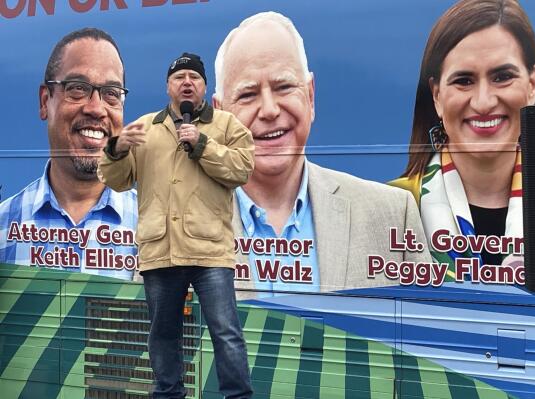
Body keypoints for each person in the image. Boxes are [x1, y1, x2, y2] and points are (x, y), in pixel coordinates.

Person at [213, 12, 430, 297]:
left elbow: (427, 336)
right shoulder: (178, 225)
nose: (269, 110)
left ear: (311, 96)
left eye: (284, 87)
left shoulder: (392, 215)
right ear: (219, 114)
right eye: (248, 95)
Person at [97, 53, 254, 398]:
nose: (187, 82)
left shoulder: (227, 125)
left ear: (204, 87)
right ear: (168, 86)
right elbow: (118, 181)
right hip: (160, 251)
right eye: (179, 76)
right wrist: (116, 150)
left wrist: (201, 143)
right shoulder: (145, 128)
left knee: (226, 333)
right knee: (163, 335)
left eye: (194, 77)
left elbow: (242, 169)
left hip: (209, 252)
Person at [389, 0, 535, 272]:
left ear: (532, 85)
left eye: (502, 77)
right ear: (437, 96)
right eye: (464, 81)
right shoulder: (389, 207)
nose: (483, 102)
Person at [0, 28, 137, 280]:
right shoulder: (2, 227)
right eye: (77, 88)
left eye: (111, 94)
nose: (96, 109)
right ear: (45, 102)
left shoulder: (157, 229)